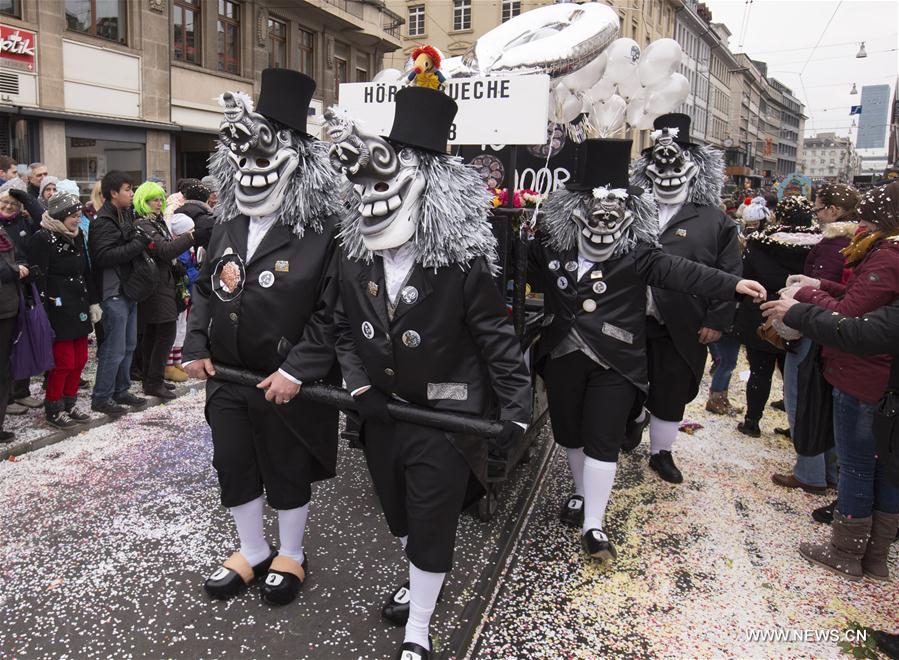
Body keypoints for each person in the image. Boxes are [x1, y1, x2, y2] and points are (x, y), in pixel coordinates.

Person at [327, 87, 532, 660]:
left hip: (446, 409)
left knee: (430, 516)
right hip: (383, 413)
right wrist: (360, 385)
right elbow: (344, 330)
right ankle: (419, 575)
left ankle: (419, 627)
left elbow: (496, 338)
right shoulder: (354, 255)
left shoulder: (461, 262)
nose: (375, 191)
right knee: (402, 514)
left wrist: (516, 410)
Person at [529, 137, 766, 567]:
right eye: (592, 210)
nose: (602, 220)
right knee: (571, 435)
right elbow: (512, 267)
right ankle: (581, 495)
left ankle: (594, 524)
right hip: (563, 357)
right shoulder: (549, 246)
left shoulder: (640, 254)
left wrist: (731, 285)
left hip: (617, 362)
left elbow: (683, 271)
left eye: (614, 211)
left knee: (602, 436)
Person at [183, 69, 345, 608]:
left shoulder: (323, 229)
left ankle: (291, 553)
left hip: (285, 380)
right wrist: (197, 343)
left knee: (285, 467)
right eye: (245, 160)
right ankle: (252, 550)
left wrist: (299, 368)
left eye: (265, 158)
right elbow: (207, 287)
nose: (253, 170)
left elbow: (332, 311)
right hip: (227, 375)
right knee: (233, 461)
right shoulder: (228, 218)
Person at [772, 182, 899, 581]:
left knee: (858, 466)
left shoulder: (889, 256)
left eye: (865, 218)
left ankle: (847, 549)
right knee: (882, 468)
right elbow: (862, 299)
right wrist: (821, 286)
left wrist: (803, 301)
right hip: (880, 376)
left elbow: (851, 316)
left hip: (863, 375)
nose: (858, 225)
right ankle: (874, 556)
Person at [629, 113, 742, 482]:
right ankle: (630, 422)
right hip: (627, 318)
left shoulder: (715, 220)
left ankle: (662, 452)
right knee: (624, 384)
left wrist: (716, 319)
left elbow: (729, 273)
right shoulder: (631, 210)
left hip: (682, 322)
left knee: (672, 391)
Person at [771, 183, 859, 494]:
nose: (817, 214)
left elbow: (825, 293)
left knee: (802, 399)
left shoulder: (832, 244)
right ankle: (829, 470)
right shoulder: (857, 241)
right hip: (835, 332)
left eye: (820, 208)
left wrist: (799, 297)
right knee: (825, 402)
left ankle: (810, 472)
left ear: (834, 211)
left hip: (812, 329)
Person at [733, 195, 816, 437]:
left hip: (761, 308)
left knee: (759, 370)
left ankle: (752, 420)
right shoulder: (817, 247)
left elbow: (745, 273)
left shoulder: (761, 243)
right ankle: (795, 425)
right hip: (798, 312)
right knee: (795, 374)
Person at [27, 191, 99, 429]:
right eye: (74, 216)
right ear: (60, 215)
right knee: (64, 361)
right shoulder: (43, 238)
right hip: (57, 307)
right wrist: (45, 311)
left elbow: (85, 270)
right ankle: (54, 407)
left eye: (79, 215)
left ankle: (70, 402)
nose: (78, 220)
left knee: (80, 359)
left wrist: (93, 301)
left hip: (77, 304)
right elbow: (39, 278)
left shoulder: (76, 236)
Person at [88, 170, 151, 416]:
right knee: (113, 348)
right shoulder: (103, 222)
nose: (132, 193)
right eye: (127, 189)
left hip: (129, 290)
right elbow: (103, 257)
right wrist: (137, 244)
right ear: (113, 193)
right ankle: (102, 396)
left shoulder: (123, 215)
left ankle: (121, 389)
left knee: (128, 345)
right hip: (112, 292)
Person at [132, 181, 194, 400]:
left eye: (160, 199)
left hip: (162, 283)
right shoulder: (143, 224)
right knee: (163, 333)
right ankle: (153, 381)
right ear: (143, 202)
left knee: (155, 334)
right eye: (152, 200)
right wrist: (191, 236)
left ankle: (153, 379)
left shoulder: (155, 222)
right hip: (154, 286)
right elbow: (165, 250)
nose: (158, 203)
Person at [0, 185, 42, 413]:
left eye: (13, 204)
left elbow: (44, 218)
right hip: (5, 292)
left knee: (24, 341)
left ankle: (21, 391)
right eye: (4, 202)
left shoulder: (22, 223)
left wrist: (26, 198)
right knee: (5, 349)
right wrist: (16, 269)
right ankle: (6, 400)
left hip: (23, 290)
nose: (8, 207)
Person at [0, 222, 27, 441]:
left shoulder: (3, 233)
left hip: (7, 308)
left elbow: (19, 255)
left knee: (3, 370)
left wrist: (19, 265)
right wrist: (14, 269)